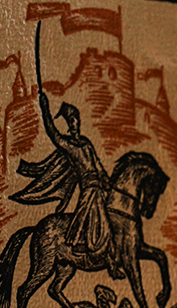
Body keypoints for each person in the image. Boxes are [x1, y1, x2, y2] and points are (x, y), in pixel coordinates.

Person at [10, 90, 119, 276]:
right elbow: (53, 133)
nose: (74, 125)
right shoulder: (69, 146)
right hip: (88, 189)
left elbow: (97, 164)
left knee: (110, 216)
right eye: (71, 123)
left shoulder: (86, 144)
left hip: (99, 186)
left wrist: (106, 179)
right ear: (68, 125)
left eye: (76, 122)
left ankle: (112, 256)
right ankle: (78, 244)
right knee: (90, 214)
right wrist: (45, 109)